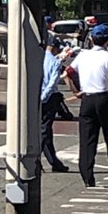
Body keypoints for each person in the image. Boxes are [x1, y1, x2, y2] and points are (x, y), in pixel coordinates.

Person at [66, 23, 108, 188]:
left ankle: (88, 177)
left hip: (87, 99)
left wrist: (75, 91)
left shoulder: (82, 56)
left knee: (87, 140)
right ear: (107, 41)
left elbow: (67, 73)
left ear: (90, 39)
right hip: (104, 98)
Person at [41, 38, 69, 173]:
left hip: (33, 98)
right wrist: (44, 97)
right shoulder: (54, 62)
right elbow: (53, 83)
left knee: (41, 130)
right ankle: (36, 160)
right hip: (48, 98)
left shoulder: (37, 57)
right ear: (55, 48)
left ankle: (53, 162)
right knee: (45, 131)